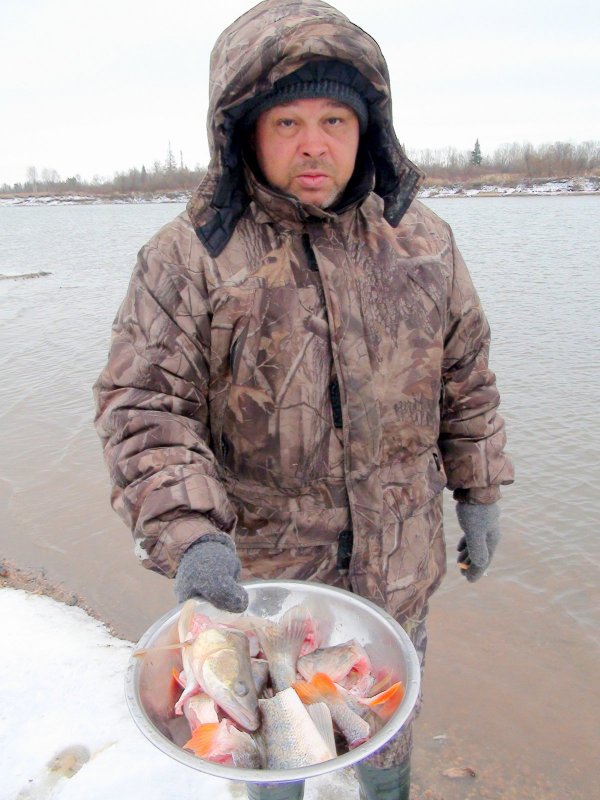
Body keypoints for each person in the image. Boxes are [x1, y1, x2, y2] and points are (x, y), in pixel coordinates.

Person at [94, 1, 514, 797]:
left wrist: (480, 492)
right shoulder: (190, 258)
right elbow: (144, 407)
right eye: (286, 122)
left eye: (333, 119)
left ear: (369, 130)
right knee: (277, 762)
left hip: (397, 584)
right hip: (264, 595)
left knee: (384, 754)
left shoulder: (425, 244)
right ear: (245, 131)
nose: (314, 143)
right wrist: (192, 537)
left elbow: (467, 377)